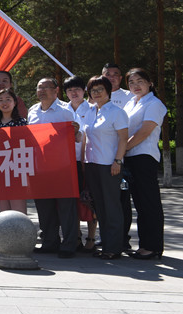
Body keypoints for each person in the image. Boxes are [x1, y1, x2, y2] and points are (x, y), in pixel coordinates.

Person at [28, 78, 79, 258]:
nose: (42, 90)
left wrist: (76, 131)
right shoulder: (32, 111)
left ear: (56, 90)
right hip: (40, 166)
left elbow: (78, 136)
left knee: (66, 207)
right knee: (44, 207)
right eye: (39, 87)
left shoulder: (66, 110)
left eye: (46, 87)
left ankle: (70, 244)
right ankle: (49, 241)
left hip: (63, 166)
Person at [123, 68, 167, 259]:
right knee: (140, 203)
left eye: (140, 81)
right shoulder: (131, 103)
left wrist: (123, 149)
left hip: (144, 156)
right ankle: (145, 245)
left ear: (150, 83)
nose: (136, 85)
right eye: (131, 82)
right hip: (130, 157)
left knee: (149, 202)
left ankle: (153, 246)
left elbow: (144, 131)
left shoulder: (154, 103)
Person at [83, 76, 128, 260]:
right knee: (100, 207)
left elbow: (123, 139)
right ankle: (106, 244)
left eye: (100, 89)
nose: (96, 93)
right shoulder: (90, 111)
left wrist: (118, 161)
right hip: (92, 164)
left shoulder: (117, 112)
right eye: (93, 90)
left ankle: (114, 248)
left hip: (109, 165)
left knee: (112, 206)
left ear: (108, 90)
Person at [63, 75, 97, 252]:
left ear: (84, 90)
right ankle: (75, 236)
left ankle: (91, 238)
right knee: (72, 201)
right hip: (67, 162)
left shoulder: (93, 109)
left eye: (77, 89)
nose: (73, 93)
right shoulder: (62, 110)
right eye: (69, 90)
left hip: (88, 161)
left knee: (89, 200)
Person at [0, 88, 28, 213]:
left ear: (15, 102)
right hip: (0, 169)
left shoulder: (21, 122)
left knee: (18, 210)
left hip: (17, 169)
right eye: (1, 100)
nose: (4, 103)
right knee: (4, 210)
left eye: (8, 99)